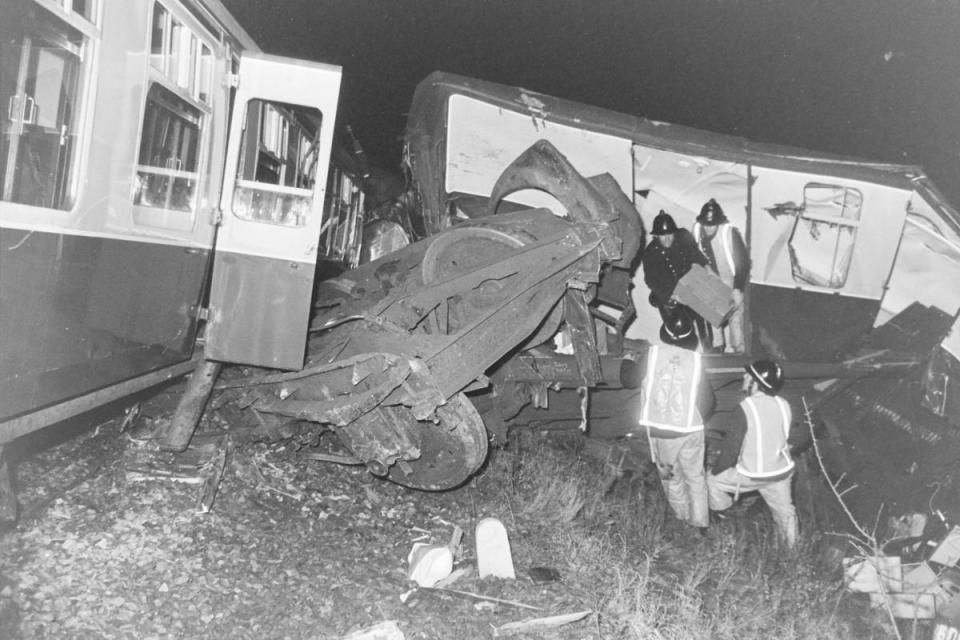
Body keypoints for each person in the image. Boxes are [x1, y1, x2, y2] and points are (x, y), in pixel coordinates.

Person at [636, 311, 716, 532]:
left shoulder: (651, 355)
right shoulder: (697, 360)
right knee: (696, 477)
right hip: (692, 431)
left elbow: (628, 378)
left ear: (665, 334)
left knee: (670, 477)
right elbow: (709, 401)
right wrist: (692, 419)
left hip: (663, 434)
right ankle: (700, 524)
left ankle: (681, 519)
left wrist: (626, 361)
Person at [706, 359, 799, 547]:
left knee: (711, 481)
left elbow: (731, 450)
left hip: (752, 474)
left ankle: (726, 518)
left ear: (756, 382)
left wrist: (716, 469)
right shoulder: (784, 404)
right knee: (786, 514)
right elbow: (786, 436)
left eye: (748, 375)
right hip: (781, 472)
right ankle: (794, 554)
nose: (744, 377)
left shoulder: (745, 408)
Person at [641, 210, 711, 344]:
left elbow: (695, 253)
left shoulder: (683, 236)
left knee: (704, 312)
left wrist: (707, 266)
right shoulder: (650, 253)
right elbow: (650, 280)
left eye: (670, 234)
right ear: (656, 236)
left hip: (689, 285)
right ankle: (674, 347)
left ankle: (709, 348)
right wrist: (672, 295)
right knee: (677, 325)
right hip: (668, 292)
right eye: (663, 236)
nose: (667, 238)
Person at [692, 199, 749, 352]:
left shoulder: (730, 234)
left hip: (730, 278)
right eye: (706, 224)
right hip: (710, 278)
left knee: (736, 316)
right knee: (711, 315)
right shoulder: (697, 230)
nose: (708, 228)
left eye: (712, 225)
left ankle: (739, 349)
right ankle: (716, 349)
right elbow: (694, 255)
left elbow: (742, 264)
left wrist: (738, 289)